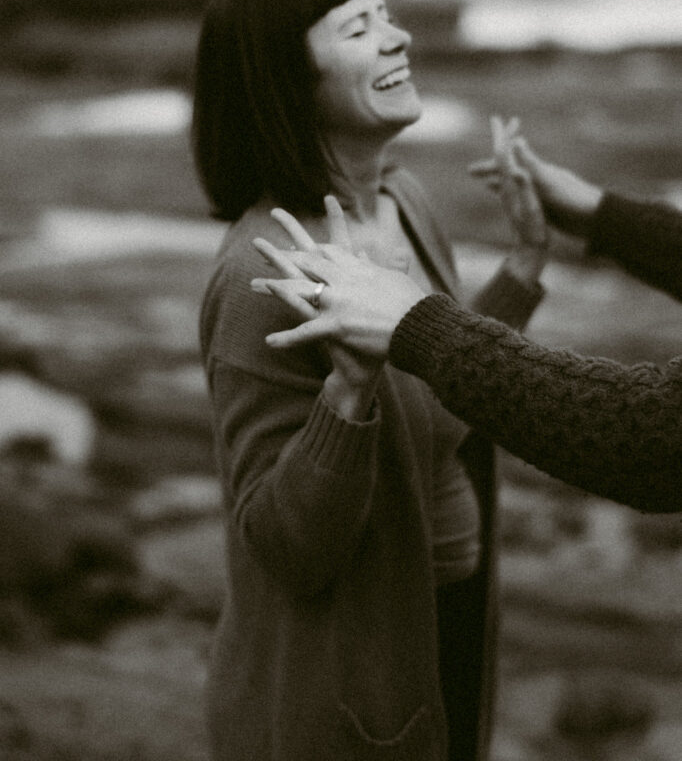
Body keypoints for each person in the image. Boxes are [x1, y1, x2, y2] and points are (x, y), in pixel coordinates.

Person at [192, 0, 549, 761]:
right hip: (349, 677)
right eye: (362, 26)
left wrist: (523, 268)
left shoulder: (406, 202)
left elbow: (445, 386)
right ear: (290, 80)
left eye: (389, 16)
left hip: (445, 622)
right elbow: (284, 545)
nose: (401, 38)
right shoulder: (262, 270)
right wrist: (348, 390)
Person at [251, 141, 681, 514]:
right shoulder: (252, 261)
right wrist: (608, 217)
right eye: (356, 36)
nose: (401, 40)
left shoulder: (405, 200)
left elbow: (656, 440)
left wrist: (418, 325)